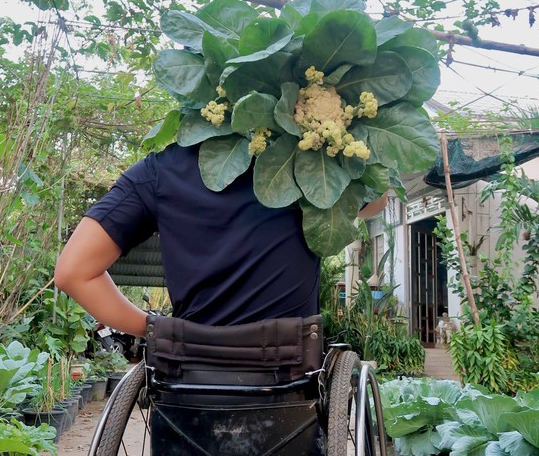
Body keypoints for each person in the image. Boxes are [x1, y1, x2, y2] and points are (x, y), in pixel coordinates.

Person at [54, 142, 387, 332]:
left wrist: (154, 330)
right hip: (289, 373)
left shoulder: (159, 170)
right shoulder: (308, 164)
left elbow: (73, 272)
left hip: (191, 373)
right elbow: (377, 200)